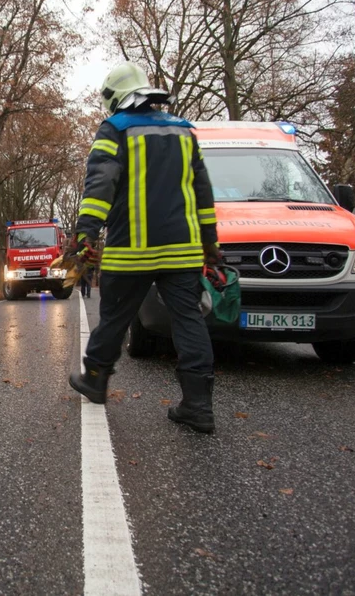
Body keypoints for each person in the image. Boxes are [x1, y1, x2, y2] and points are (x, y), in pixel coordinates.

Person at [68, 62, 221, 434]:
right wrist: (210, 242)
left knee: (116, 318)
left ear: (116, 97)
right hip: (182, 250)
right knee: (188, 321)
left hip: (131, 250)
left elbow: (99, 187)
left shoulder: (115, 130)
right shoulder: (185, 132)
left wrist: (85, 235)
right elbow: (203, 192)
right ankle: (198, 406)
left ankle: (96, 380)